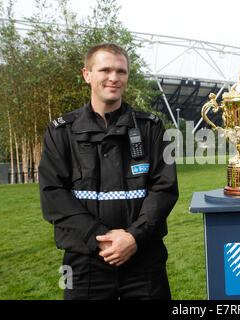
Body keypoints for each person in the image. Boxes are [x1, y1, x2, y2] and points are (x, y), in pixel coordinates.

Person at [39, 43, 178, 300]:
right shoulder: (61, 131)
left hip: (144, 257)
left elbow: (164, 188)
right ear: (87, 75)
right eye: (105, 70)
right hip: (83, 260)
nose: (114, 78)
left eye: (121, 71)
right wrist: (99, 239)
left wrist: (133, 237)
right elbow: (53, 194)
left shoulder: (151, 128)